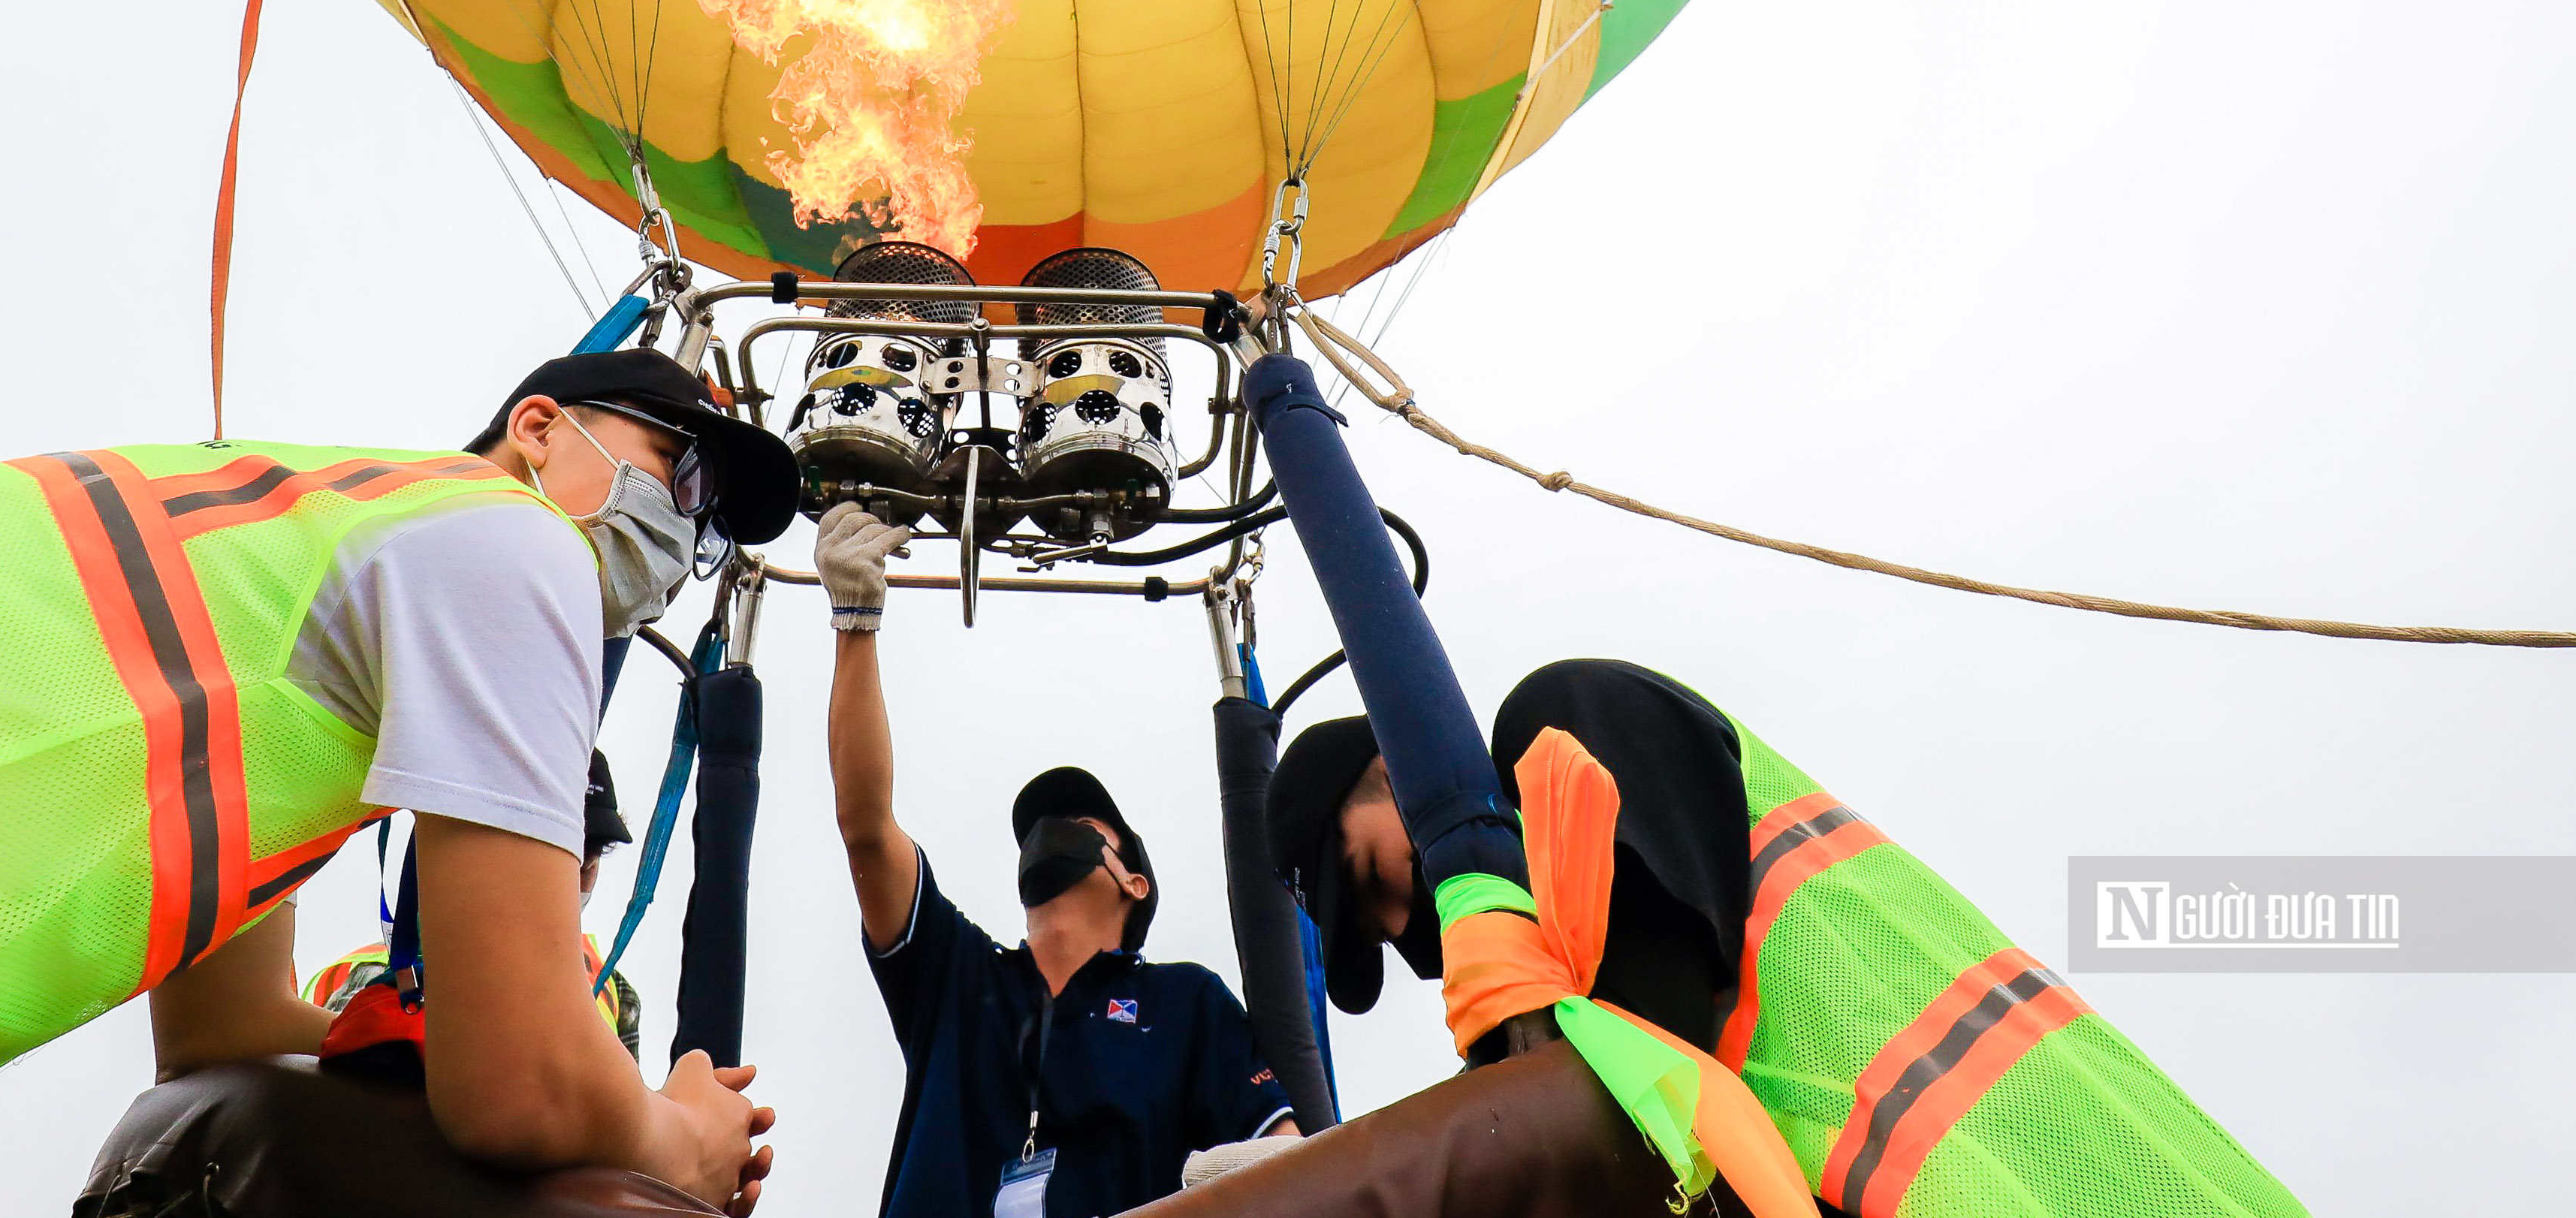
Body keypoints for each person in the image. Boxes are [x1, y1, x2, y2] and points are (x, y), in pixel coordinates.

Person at [0, 348, 787, 1218]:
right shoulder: (510, 544)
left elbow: (222, 1027)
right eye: (678, 475)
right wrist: (675, 1131)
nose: (685, 536)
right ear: (538, 426)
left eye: (712, 528)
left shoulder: (315, 539)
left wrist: (406, 1030)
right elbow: (518, 1090)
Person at [1265, 659, 2306, 1218]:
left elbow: (1655, 1032)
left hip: (2005, 1165)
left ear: (1401, 774)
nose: (1414, 936)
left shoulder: (1563, 710)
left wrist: (1522, 1066)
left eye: (1376, 884)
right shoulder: (1561, 953)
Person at [814, 502, 1299, 1216]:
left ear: (1133, 881)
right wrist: (855, 620)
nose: (1051, 834)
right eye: (1037, 830)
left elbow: (1283, 1154)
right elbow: (864, 827)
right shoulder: (957, 977)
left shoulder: (1185, 1004)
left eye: (1079, 823)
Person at [307, 749, 645, 1068]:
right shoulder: (377, 976)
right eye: (559, 853)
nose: (575, 880)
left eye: (590, 862)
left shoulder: (617, 992)